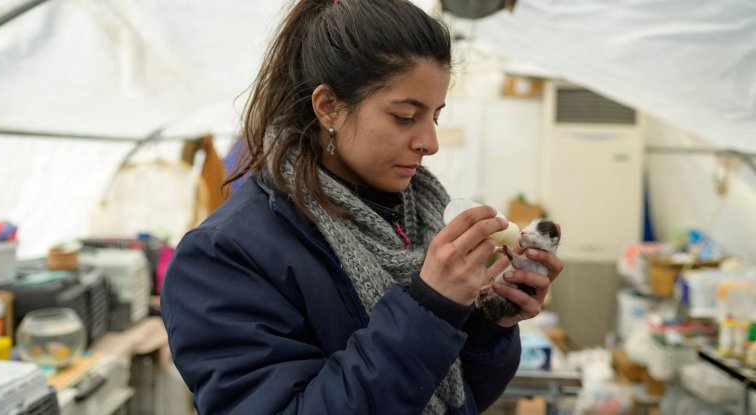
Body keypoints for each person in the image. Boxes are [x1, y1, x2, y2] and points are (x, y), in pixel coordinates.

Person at [160, 0, 564, 414]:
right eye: (406, 117)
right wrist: (429, 310)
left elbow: (462, 397)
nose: (430, 142)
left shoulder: (417, 216)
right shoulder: (224, 256)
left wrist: (488, 322)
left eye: (435, 117)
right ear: (329, 107)